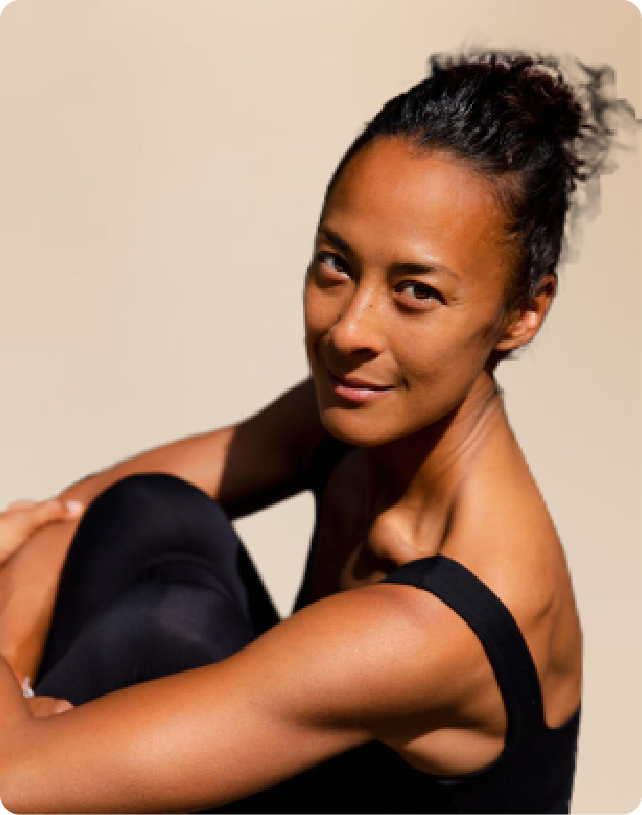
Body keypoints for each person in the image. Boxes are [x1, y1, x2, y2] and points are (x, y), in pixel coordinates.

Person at [0, 49, 637, 814]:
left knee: (156, 635)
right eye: (336, 265)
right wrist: (14, 675)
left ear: (524, 311)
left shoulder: (445, 618)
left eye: (416, 291)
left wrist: (29, 730)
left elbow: (15, 780)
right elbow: (60, 522)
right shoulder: (356, 408)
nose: (349, 329)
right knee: (154, 513)